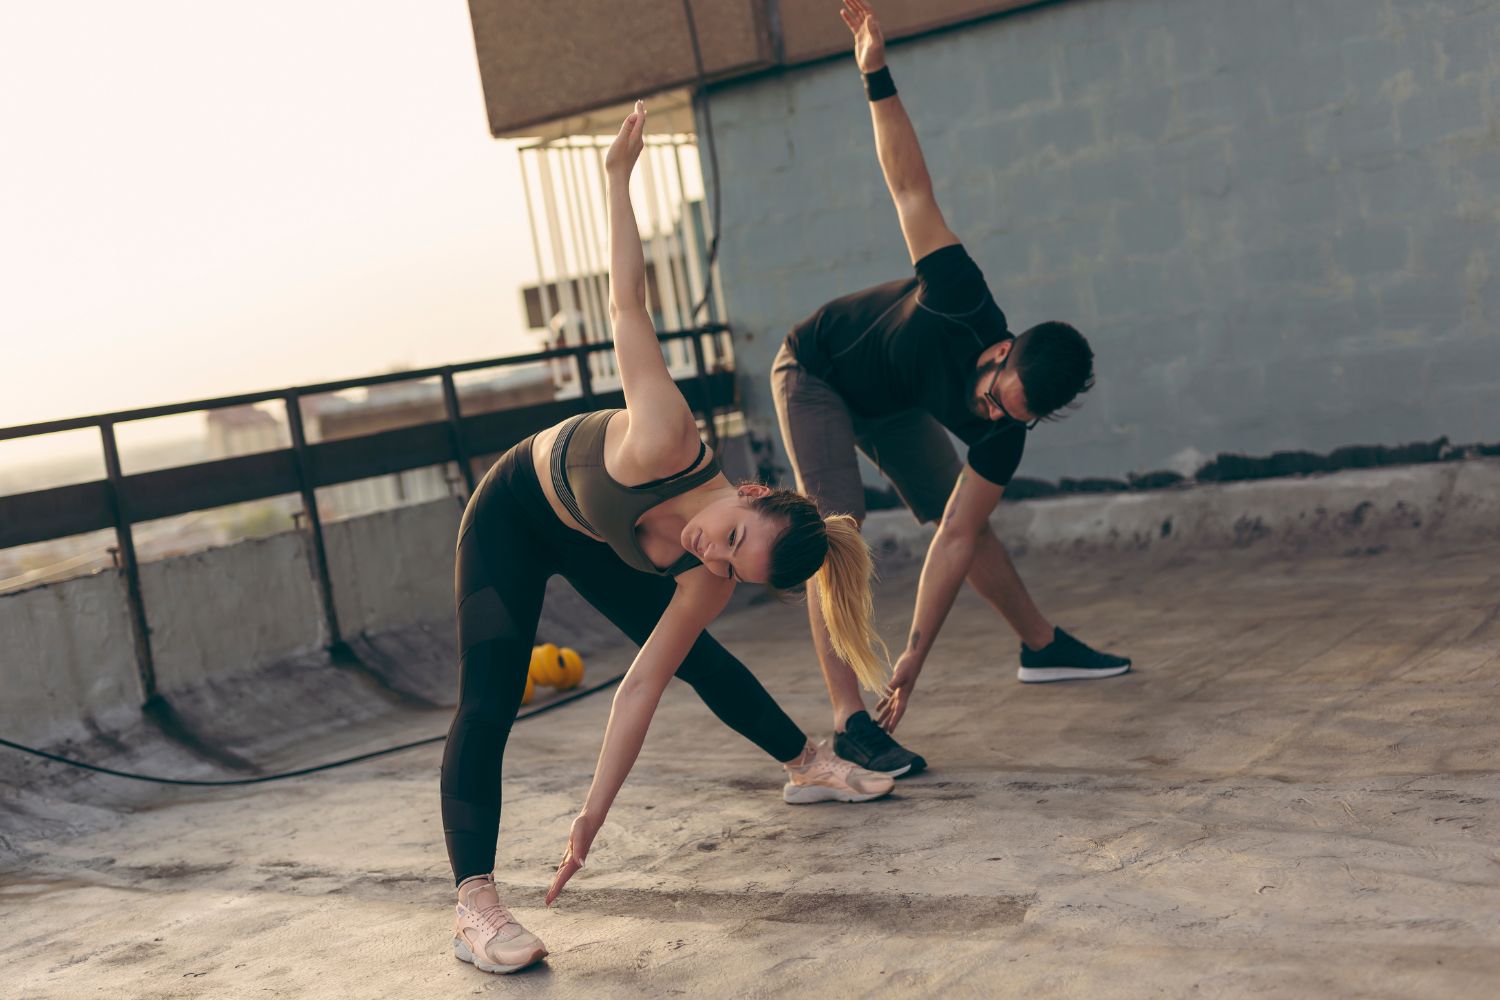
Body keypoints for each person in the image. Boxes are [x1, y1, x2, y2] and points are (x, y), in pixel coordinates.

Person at [440, 101, 895, 976]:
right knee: (488, 702)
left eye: (727, 565)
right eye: (727, 537)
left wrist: (590, 819)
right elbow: (627, 300)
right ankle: (474, 906)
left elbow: (638, 690)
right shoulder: (665, 437)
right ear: (750, 490)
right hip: (513, 511)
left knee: (700, 657)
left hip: (586, 536)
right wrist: (616, 179)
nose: (708, 552)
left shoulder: (708, 569)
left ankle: (805, 763)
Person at [771, 0, 1132, 779]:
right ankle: (848, 722)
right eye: (999, 398)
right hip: (818, 371)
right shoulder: (961, 296)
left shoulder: (1009, 428)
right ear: (999, 351)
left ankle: (1043, 648)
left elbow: (956, 536)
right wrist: (875, 73)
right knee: (834, 532)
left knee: (961, 515)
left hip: (893, 401)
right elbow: (909, 186)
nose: (994, 416)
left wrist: (913, 656)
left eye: (1015, 417)